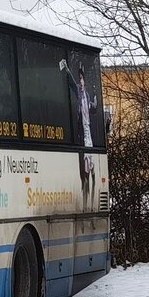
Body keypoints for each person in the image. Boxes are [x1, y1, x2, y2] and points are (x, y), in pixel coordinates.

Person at [60, 58, 97, 208]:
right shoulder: (80, 94)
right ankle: (85, 200)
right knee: (85, 170)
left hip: (88, 133)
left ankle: (91, 201)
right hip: (83, 134)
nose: (81, 83)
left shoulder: (87, 96)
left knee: (91, 168)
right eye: (79, 79)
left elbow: (92, 108)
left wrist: (95, 102)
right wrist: (67, 70)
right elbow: (71, 83)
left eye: (82, 80)